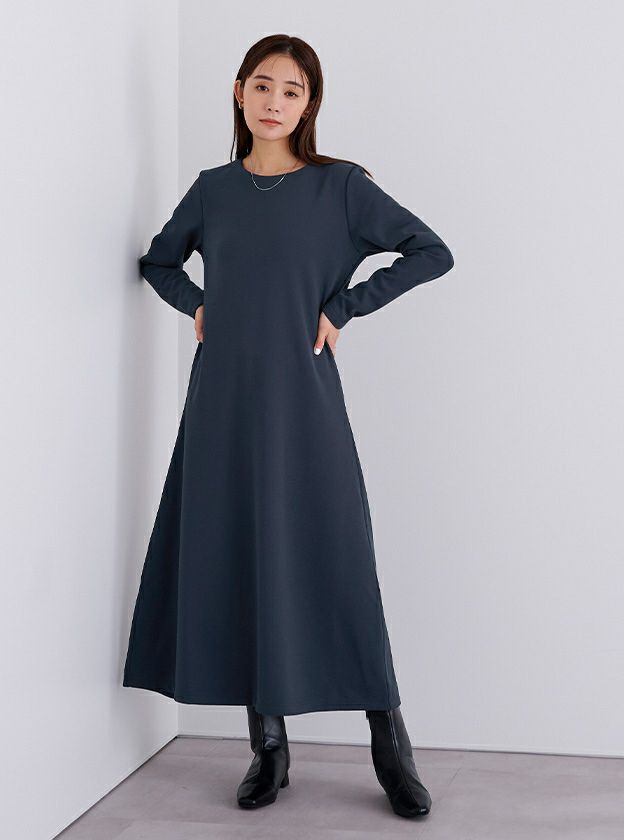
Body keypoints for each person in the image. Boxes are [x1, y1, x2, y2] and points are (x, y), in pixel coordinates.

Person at [123, 33, 454, 819]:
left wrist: (345, 307)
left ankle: (390, 744)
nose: (275, 101)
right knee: (246, 554)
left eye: (293, 90)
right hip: (223, 405)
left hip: (305, 401)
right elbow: (159, 262)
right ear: (239, 93)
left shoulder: (341, 188)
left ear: (310, 105)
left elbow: (430, 251)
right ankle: (268, 747)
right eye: (263, 85)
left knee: (337, 557)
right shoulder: (213, 191)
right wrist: (197, 304)